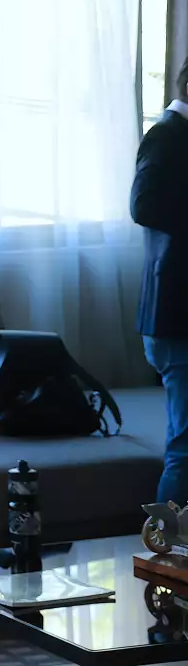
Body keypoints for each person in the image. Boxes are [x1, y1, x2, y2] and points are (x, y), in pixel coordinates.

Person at [131, 58, 188, 507]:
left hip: (177, 316)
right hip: (175, 318)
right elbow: (143, 206)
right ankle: (168, 557)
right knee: (185, 448)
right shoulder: (167, 136)